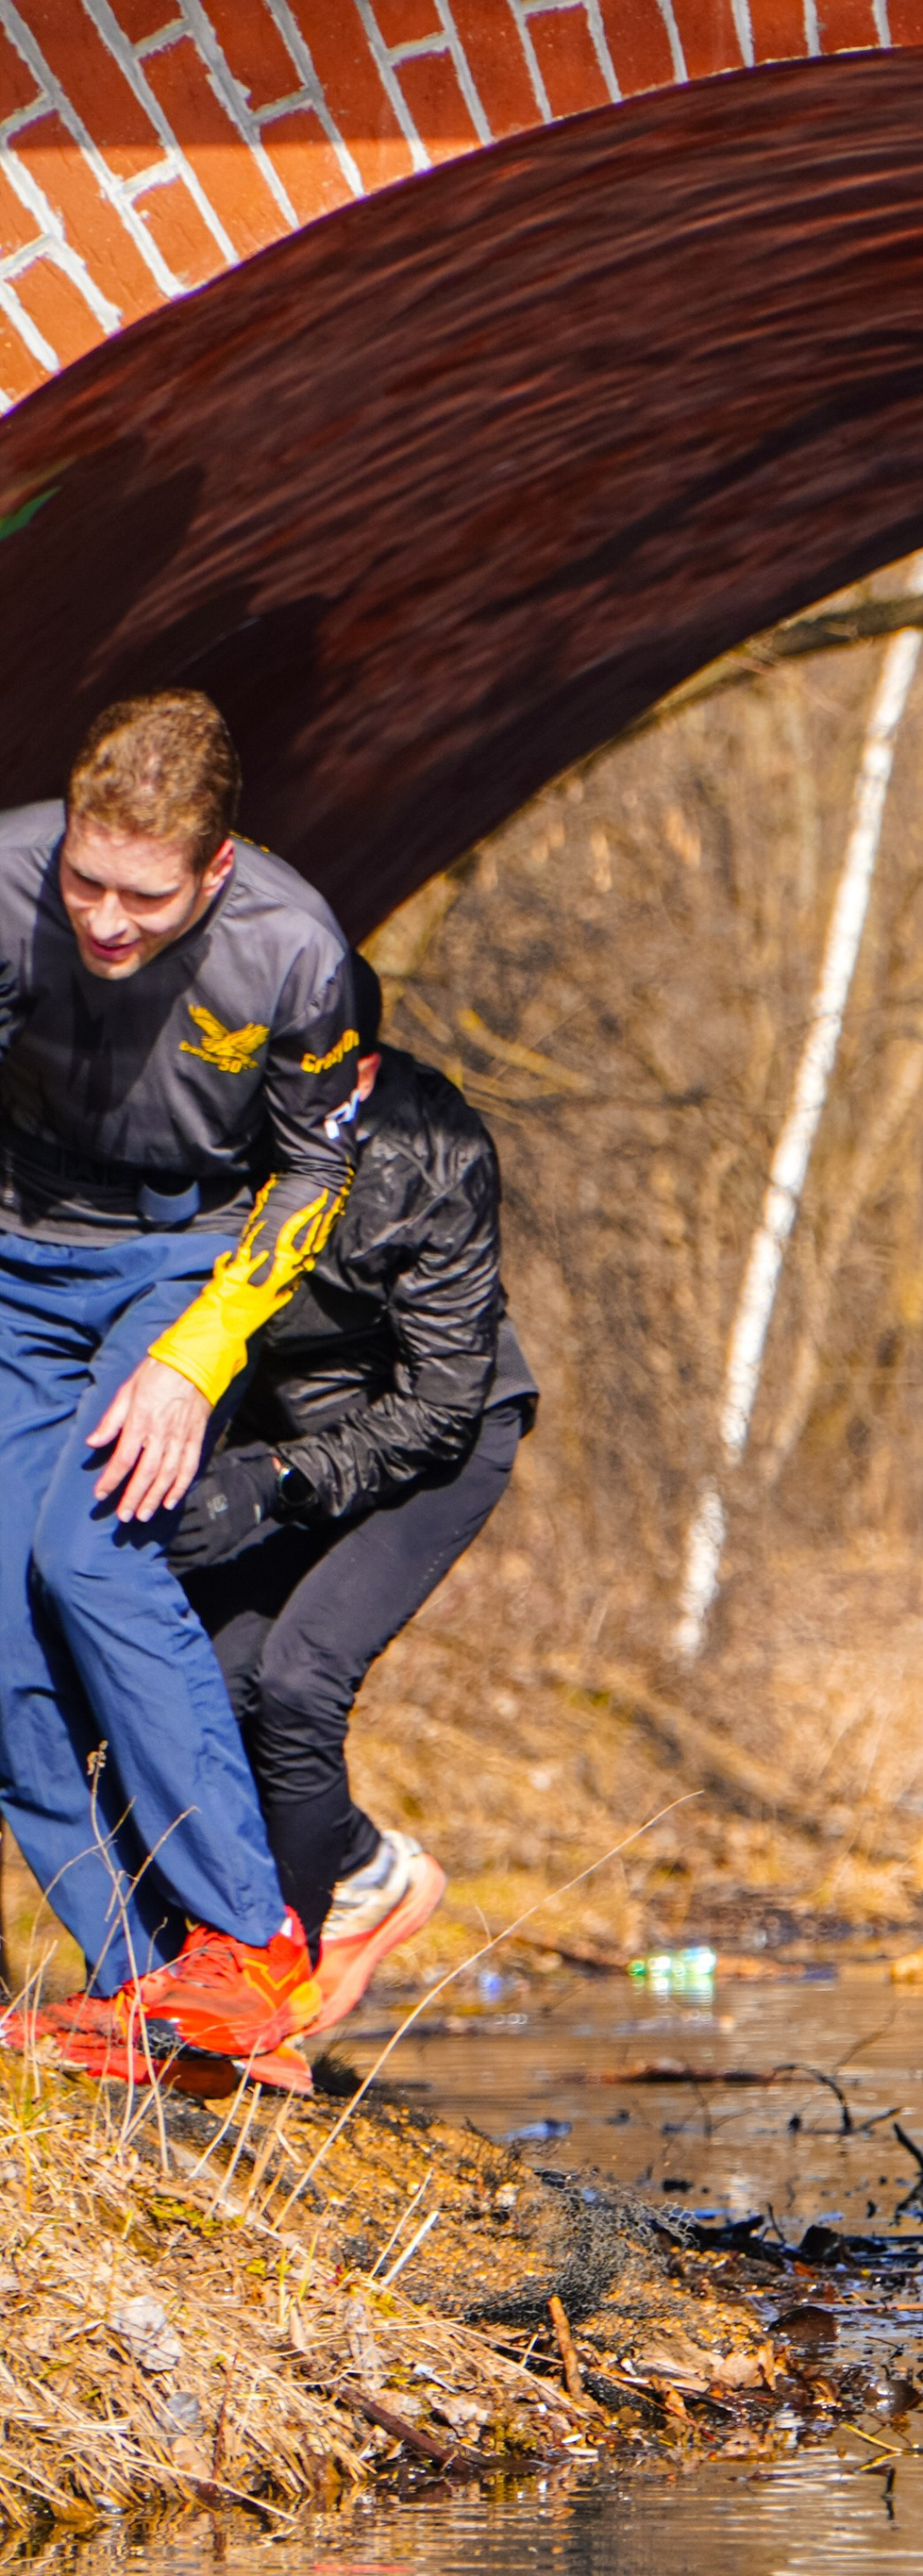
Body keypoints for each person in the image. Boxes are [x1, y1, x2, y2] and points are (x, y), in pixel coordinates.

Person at [0, 693, 360, 2078]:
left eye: (143, 898)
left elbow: (316, 1172)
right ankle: (150, 1992)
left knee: (90, 1555)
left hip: (180, 1261)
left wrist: (193, 1361)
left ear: (215, 868)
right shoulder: (10, 885)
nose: (105, 921)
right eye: (86, 881)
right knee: (3, 1630)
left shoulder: (294, 946)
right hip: (13, 1254)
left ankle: (249, 1949)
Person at [168, 961, 537, 2041]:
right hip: (278, 1429)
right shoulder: (193, 1113)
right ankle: (367, 1872)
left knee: (298, 1676)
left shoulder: (436, 1148)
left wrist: (273, 1482)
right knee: (203, 1680)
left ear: (361, 1070)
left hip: (438, 1439)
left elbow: (439, 1403)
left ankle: (275, 1978)